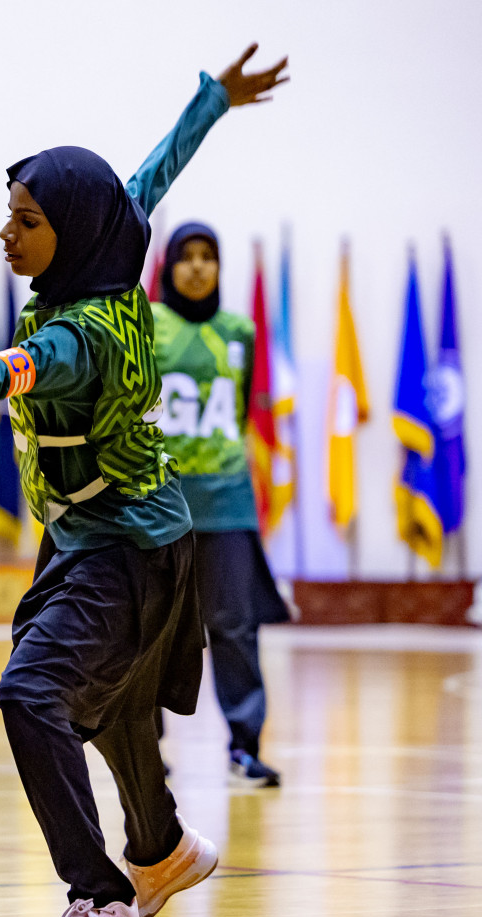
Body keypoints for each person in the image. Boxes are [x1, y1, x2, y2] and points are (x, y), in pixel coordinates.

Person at [0, 45, 288, 917]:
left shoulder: (76, 334)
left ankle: (101, 903)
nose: (7, 235)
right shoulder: (107, 258)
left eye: (28, 220)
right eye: (7, 216)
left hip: (123, 549)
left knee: (31, 695)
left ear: (73, 230)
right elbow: (153, 173)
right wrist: (213, 98)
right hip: (120, 537)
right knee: (123, 706)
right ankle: (161, 850)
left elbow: (10, 371)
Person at [153, 223, 289, 786]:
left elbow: (242, 405)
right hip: (159, 502)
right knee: (151, 629)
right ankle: (145, 748)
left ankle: (244, 746)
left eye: (209, 256)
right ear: (169, 266)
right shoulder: (148, 325)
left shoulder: (241, 330)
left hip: (228, 500)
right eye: (186, 256)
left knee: (236, 626)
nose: (198, 267)